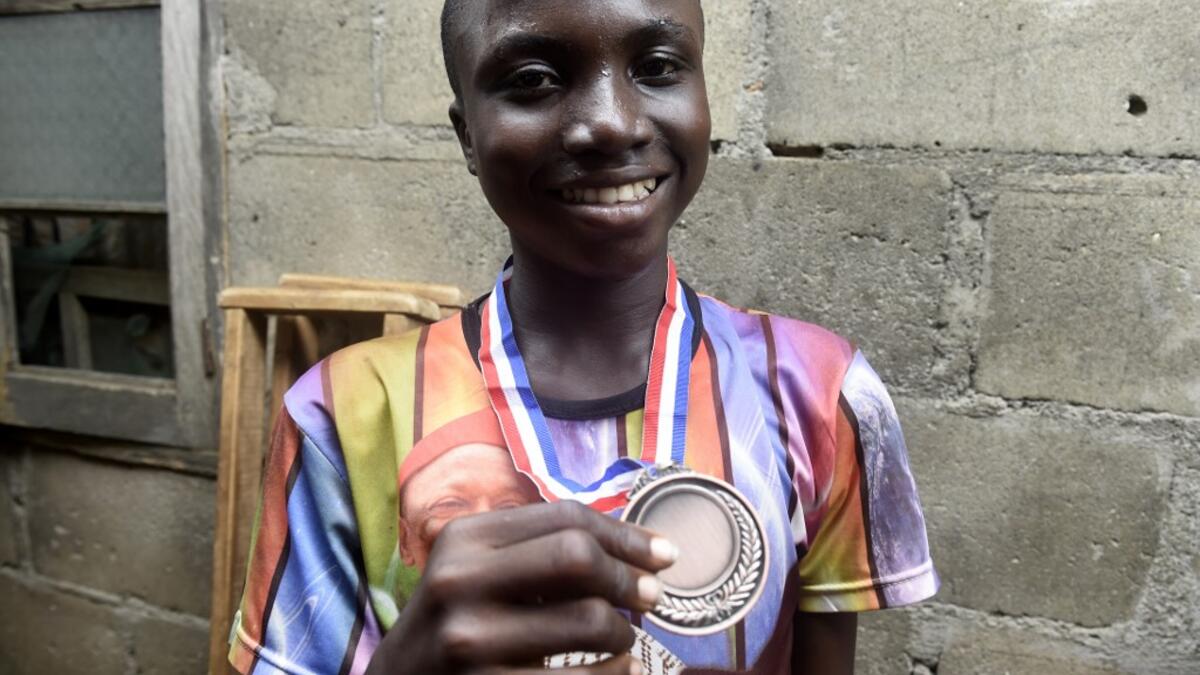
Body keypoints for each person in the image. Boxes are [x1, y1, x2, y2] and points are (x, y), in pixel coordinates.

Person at [227, 0, 937, 673]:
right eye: (533, 79)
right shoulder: (341, 412)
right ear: (467, 134)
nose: (611, 123)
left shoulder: (819, 390)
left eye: (657, 67)